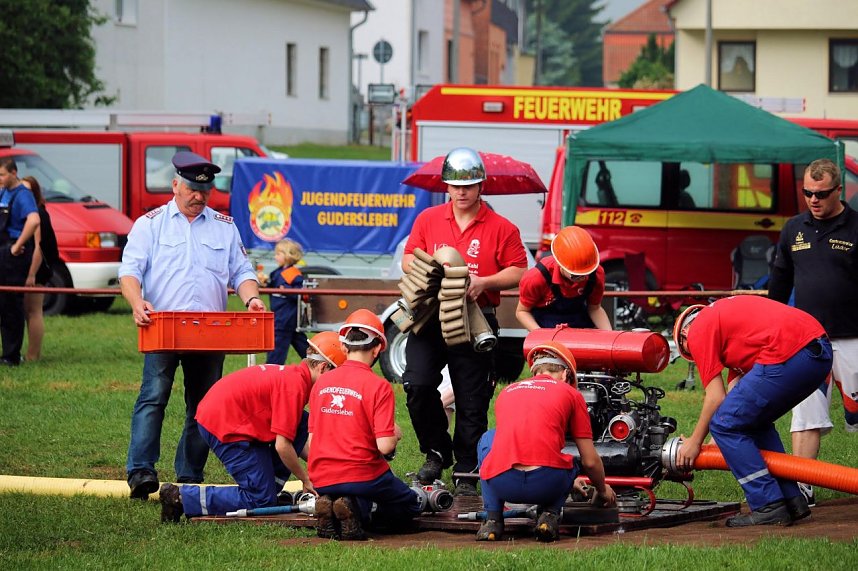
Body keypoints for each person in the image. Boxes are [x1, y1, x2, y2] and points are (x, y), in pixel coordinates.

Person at [119, 151, 265, 499]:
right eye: (191, 190)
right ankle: (141, 472)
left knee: (204, 406)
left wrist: (252, 299)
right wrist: (137, 302)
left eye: (205, 191)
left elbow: (242, 272)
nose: (198, 197)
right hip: (163, 327)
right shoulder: (150, 224)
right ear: (175, 185)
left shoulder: (225, 226)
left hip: (210, 330)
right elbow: (129, 271)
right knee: (153, 397)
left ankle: (189, 474)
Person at [401, 147, 528, 495]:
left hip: (477, 320)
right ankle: (436, 450)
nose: (462, 191)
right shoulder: (428, 219)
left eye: (469, 185)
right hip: (430, 316)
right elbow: (409, 256)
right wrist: (428, 272)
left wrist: (484, 282)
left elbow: (520, 270)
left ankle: (468, 470)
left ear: (481, 185)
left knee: (472, 400)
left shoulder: (502, 227)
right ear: (445, 185)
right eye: (455, 185)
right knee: (417, 384)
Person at [673, 296, 832, 527]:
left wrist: (694, 443)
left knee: (725, 423)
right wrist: (712, 441)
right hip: (817, 351)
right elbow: (734, 400)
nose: (695, 355)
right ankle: (791, 500)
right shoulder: (728, 324)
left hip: (792, 349)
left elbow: (716, 399)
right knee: (749, 421)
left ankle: (768, 505)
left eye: (689, 352)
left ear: (684, 334)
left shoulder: (698, 329)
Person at [158, 331, 346, 522]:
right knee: (260, 500)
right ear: (323, 368)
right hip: (224, 423)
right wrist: (306, 479)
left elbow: (300, 439)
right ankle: (182, 497)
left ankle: (268, 491)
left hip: (231, 415)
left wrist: (325, 470)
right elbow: (283, 446)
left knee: (299, 422)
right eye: (336, 378)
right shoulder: (294, 386)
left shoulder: (296, 377)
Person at [768, 158, 858, 507]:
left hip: (853, 338)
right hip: (808, 342)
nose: (813, 200)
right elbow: (779, 283)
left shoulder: (855, 227)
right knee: (805, 413)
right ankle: (803, 485)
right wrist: (771, 327)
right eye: (807, 193)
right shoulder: (793, 229)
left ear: (839, 190)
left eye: (821, 194)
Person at [476, 341, 616, 542]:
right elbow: (590, 461)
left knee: (488, 439)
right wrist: (602, 490)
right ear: (566, 375)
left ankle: (493, 520)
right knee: (573, 462)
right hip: (546, 484)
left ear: (535, 372)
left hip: (502, 484)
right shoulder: (571, 393)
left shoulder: (507, 392)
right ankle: (549, 515)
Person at [308, 309, 420, 540]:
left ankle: (332, 504)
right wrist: (393, 435)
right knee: (408, 503)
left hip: (321, 475)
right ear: (378, 348)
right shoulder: (378, 386)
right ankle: (360, 516)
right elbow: (385, 447)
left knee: (352, 491)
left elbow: (312, 438)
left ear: (344, 347)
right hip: (362, 475)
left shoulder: (322, 382)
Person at [516, 226, 611, 331]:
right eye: (575, 275)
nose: (583, 278)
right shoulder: (536, 277)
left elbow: (595, 308)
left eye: (587, 273)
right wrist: (541, 335)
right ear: (560, 264)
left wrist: (610, 337)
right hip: (546, 328)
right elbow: (522, 312)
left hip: (580, 326)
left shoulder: (596, 274)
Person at [0, 157, 40, 366]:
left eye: (2, 175)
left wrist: (17, 245)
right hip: (2, 248)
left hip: (13, 254)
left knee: (11, 305)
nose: (0, 178)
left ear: (13, 173)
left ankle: (11, 355)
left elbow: (34, 220)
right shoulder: (4, 192)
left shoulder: (23, 195)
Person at [22, 176, 59, 362]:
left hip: (38, 270)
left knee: (33, 311)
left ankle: (32, 355)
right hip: (25, 268)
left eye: (28, 191)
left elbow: (44, 247)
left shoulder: (39, 214)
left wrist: (33, 274)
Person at [262, 238, 309, 364]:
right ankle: (317, 362)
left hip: (287, 318)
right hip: (278, 316)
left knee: (279, 346)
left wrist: (287, 290)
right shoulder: (276, 273)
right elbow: (273, 286)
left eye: (278, 254)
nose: (275, 256)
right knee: (301, 344)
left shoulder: (294, 274)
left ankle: (273, 367)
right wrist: (265, 283)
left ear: (288, 256)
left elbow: (300, 294)